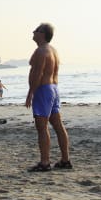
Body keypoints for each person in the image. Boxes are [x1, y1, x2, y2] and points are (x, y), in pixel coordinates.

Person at [25, 23, 71, 172]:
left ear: (43, 34)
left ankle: (45, 162)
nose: (33, 31)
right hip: (54, 89)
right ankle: (65, 160)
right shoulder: (53, 51)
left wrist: (30, 93)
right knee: (58, 124)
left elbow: (37, 74)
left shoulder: (41, 51)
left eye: (36, 30)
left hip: (43, 90)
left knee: (42, 126)